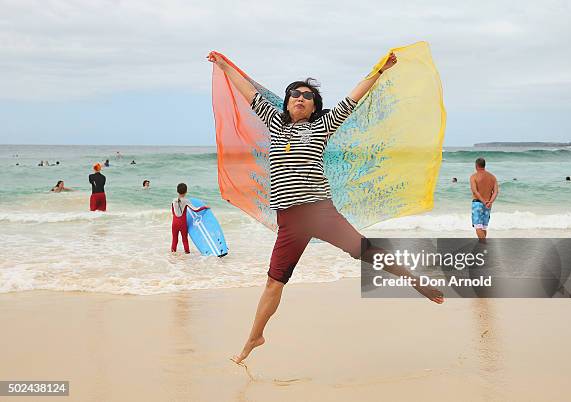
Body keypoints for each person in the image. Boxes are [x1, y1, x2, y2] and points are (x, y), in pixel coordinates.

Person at [208, 50, 444, 364]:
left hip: (320, 212)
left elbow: (352, 98)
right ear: (287, 101)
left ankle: (417, 281)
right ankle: (255, 336)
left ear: (315, 106)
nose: (301, 98)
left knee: (366, 250)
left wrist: (380, 70)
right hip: (290, 221)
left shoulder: (323, 126)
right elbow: (248, 92)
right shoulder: (274, 123)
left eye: (308, 96)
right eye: (296, 94)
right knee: (274, 281)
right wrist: (224, 65)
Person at [470, 158, 498, 241]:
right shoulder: (492, 177)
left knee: (478, 226)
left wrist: (483, 201)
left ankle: (484, 245)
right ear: (484, 165)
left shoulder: (473, 177)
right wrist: (490, 202)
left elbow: (475, 192)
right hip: (488, 205)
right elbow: (495, 192)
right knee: (483, 227)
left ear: (476, 165)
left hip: (478, 203)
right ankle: (482, 247)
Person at [171, 183, 193, 254]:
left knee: (174, 239)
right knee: (185, 239)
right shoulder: (186, 201)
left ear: (177, 191)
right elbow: (195, 209)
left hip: (174, 223)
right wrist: (205, 207)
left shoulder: (173, 200)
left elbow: (173, 211)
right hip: (182, 224)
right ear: (186, 191)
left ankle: (172, 255)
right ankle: (187, 253)